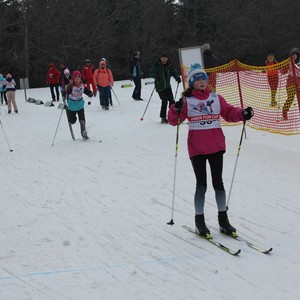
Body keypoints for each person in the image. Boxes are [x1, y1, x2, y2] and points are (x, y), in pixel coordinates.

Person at [168, 63, 254, 236]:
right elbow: (173, 120)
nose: (202, 81)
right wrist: (175, 109)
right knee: (202, 185)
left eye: (204, 78)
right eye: (198, 79)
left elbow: (229, 112)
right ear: (191, 83)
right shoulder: (187, 101)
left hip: (215, 146)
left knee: (218, 183)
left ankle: (223, 220)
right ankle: (199, 221)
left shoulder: (215, 97)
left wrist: (242, 113)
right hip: (197, 148)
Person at [150, 53, 181, 123]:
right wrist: (156, 76)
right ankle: (163, 117)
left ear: (167, 59)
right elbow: (151, 73)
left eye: (165, 58)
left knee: (172, 101)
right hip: (160, 87)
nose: (164, 60)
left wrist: (177, 78)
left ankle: (171, 115)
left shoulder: (169, 65)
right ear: (160, 59)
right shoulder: (156, 65)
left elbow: (174, 72)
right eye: (162, 58)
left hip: (167, 86)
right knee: (164, 101)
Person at [64, 71, 93, 140]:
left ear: (80, 79)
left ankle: (84, 133)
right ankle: (69, 113)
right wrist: (65, 92)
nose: (77, 80)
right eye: (76, 79)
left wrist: (90, 93)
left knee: (82, 120)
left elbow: (86, 91)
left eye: (78, 78)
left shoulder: (82, 85)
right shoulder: (71, 86)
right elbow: (67, 91)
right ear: (73, 79)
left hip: (80, 105)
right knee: (72, 121)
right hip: (72, 105)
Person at [282, 48, 300, 120]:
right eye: (292, 55)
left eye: (295, 55)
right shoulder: (289, 62)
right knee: (290, 98)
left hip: (298, 82)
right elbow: (283, 72)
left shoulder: (299, 63)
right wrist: (284, 67)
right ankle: (284, 112)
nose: (294, 56)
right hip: (290, 82)